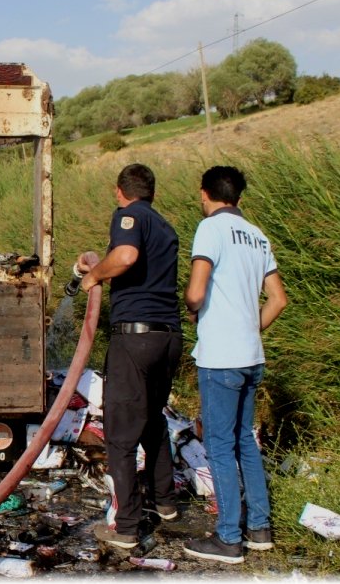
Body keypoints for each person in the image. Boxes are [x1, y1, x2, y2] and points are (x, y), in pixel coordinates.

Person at [182, 166, 287, 564]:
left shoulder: (210, 228)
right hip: (251, 355)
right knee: (245, 441)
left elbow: (196, 290)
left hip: (221, 356)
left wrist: (196, 310)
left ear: (204, 194)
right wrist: (249, 327)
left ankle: (228, 538)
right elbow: (278, 299)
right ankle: (259, 528)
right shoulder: (258, 236)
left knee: (220, 446)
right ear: (239, 198)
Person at [74, 162, 182, 550]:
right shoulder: (166, 226)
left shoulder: (128, 215)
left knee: (120, 436)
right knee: (153, 420)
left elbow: (125, 258)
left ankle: (126, 526)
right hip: (168, 337)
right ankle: (166, 502)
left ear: (120, 190)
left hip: (134, 339)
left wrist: (93, 276)